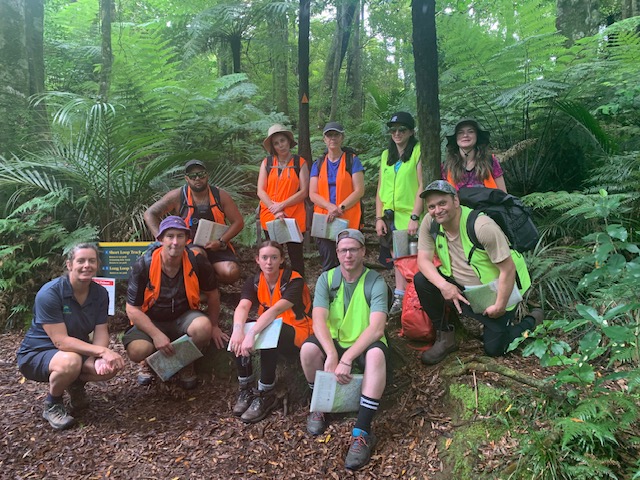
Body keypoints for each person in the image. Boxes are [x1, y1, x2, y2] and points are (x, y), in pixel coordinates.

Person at [414, 180, 543, 365]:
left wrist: (499, 306)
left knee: (495, 348)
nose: (437, 210)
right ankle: (446, 337)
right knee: (422, 281)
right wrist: (444, 285)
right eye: (432, 206)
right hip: (459, 284)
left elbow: (508, 269)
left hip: (494, 289)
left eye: (443, 203)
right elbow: (423, 260)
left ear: (455, 201)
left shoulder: (482, 227)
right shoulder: (430, 222)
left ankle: (532, 321)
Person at [300, 229, 389, 471]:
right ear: (337, 253)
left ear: (363, 252)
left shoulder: (376, 282)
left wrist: (347, 358)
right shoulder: (326, 279)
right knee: (308, 350)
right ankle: (320, 405)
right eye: (343, 250)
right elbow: (318, 320)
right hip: (335, 340)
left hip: (363, 340)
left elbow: (377, 328)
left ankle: (362, 432)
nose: (348, 255)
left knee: (376, 354)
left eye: (353, 249)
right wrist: (331, 353)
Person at [17, 243, 126, 431]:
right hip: (38, 352)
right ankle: (53, 404)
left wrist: (97, 358)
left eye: (92, 261)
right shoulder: (50, 293)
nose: (87, 265)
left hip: (76, 350)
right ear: (69, 265)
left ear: (98, 264)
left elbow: (101, 331)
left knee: (108, 367)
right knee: (71, 362)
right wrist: (102, 350)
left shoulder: (99, 293)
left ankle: (75, 386)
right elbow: (60, 341)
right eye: (81, 261)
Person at [124, 216, 228, 388]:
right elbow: (132, 309)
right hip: (152, 318)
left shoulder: (197, 261)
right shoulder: (144, 264)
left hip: (183, 315)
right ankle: (148, 362)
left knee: (203, 328)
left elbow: (213, 294)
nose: (175, 242)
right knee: (137, 350)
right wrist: (156, 335)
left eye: (180, 236)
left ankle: (185, 363)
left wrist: (215, 325)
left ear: (187, 239)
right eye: (170, 236)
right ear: (160, 239)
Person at [229, 241, 312, 423]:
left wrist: (251, 334)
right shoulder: (255, 281)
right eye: (264, 258)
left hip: (296, 331)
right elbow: (243, 306)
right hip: (267, 325)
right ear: (257, 260)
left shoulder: (294, 280)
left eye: (274, 257)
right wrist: (238, 331)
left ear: (281, 259)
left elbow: (275, 310)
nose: (269, 262)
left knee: (270, 332)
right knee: (239, 327)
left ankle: (266, 392)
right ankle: (246, 387)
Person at [143, 159, 244, 285]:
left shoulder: (220, 195)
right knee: (198, 256)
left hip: (217, 244)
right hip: (189, 244)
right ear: (186, 178)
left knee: (231, 272)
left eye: (201, 174)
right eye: (192, 176)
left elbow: (238, 222)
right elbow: (149, 214)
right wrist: (161, 239)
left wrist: (221, 241)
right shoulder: (178, 196)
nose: (197, 178)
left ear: (207, 175)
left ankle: (210, 281)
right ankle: (201, 288)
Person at [375, 112, 424, 315]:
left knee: (412, 258)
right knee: (396, 258)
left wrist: (415, 215)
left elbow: (422, 185)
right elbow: (380, 189)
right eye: (393, 130)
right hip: (389, 216)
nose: (397, 133)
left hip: (409, 216)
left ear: (411, 131)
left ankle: (417, 298)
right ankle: (399, 296)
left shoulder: (418, 152)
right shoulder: (387, 155)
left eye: (402, 129)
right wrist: (378, 217)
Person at [309, 122, 365, 271]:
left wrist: (339, 208)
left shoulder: (352, 160)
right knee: (328, 261)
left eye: (336, 135)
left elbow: (359, 190)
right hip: (324, 219)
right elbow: (312, 193)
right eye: (329, 135)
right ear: (324, 139)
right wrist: (329, 207)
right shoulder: (318, 163)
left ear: (342, 137)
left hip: (348, 217)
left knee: (349, 260)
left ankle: (350, 292)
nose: (332, 138)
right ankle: (331, 292)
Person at [257, 124, 309, 276]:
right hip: (270, 215)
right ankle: (275, 288)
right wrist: (275, 209)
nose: (281, 145)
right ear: (272, 146)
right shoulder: (267, 163)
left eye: (283, 141)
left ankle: (299, 289)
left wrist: (282, 206)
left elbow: (304, 191)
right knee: (273, 256)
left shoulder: (300, 163)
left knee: (296, 256)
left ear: (289, 141)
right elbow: (260, 190)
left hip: (294, 216)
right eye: (276, 143)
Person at [442, 119, 507, 192]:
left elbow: (504, 195)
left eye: (470, 131)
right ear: (455, 138)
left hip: (489, 203)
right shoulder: (446, 167)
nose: (465, 135)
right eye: (460, 132)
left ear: (477, 136)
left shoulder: (490, 161)